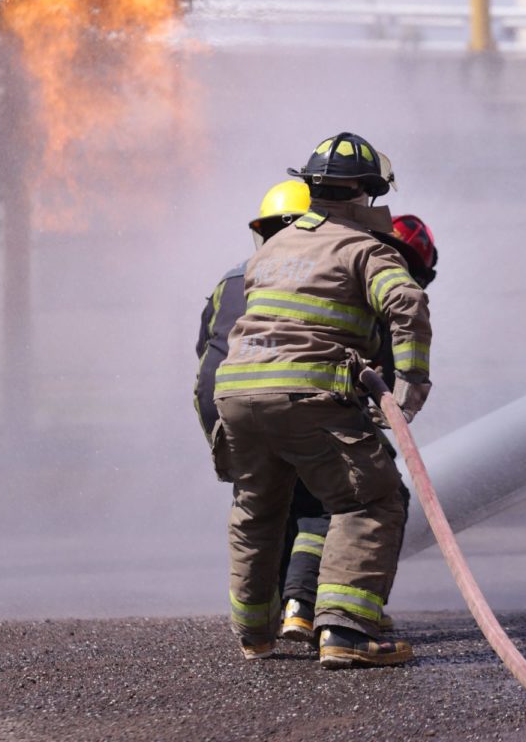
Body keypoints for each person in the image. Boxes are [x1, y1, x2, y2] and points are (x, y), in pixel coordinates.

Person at [212, 132, 432, 668]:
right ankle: (346, 633)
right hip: (306, 395)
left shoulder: (273, 248)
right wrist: (410, 387)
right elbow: (407, 301)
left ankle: (255, 635)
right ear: (364, 193)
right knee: (372, 500)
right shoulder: (365, 249)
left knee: (257, 511)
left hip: (236, 395)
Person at [279, 212, 438, 644]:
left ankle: (291, 610)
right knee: (374, 497)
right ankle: (343, 622)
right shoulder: (378, 294)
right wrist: (405, 393)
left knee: (297, 506)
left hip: (269, 408)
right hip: (321, 413)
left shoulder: (318, 270)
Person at [194, 179, 312, 444]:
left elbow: (206, 350)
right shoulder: (326, 277)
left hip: (227, 419)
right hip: (300, 423)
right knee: (375, 483)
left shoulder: (230, 280)